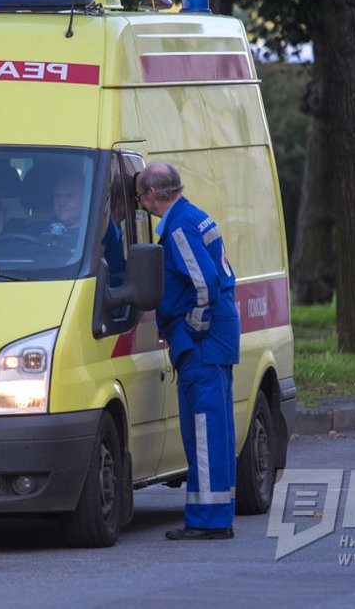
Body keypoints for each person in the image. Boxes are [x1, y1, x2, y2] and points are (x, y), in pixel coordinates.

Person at [135, 161, 239, 540]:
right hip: (218, 342)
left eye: (140, 197)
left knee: (203, 429)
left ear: (151, 195)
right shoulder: (195, 216)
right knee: (217, 427)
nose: (140, 205)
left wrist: (192, 328)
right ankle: (218, 512)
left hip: (203, 344)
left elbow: (205, 285)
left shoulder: (178, 227)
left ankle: (208, 521)